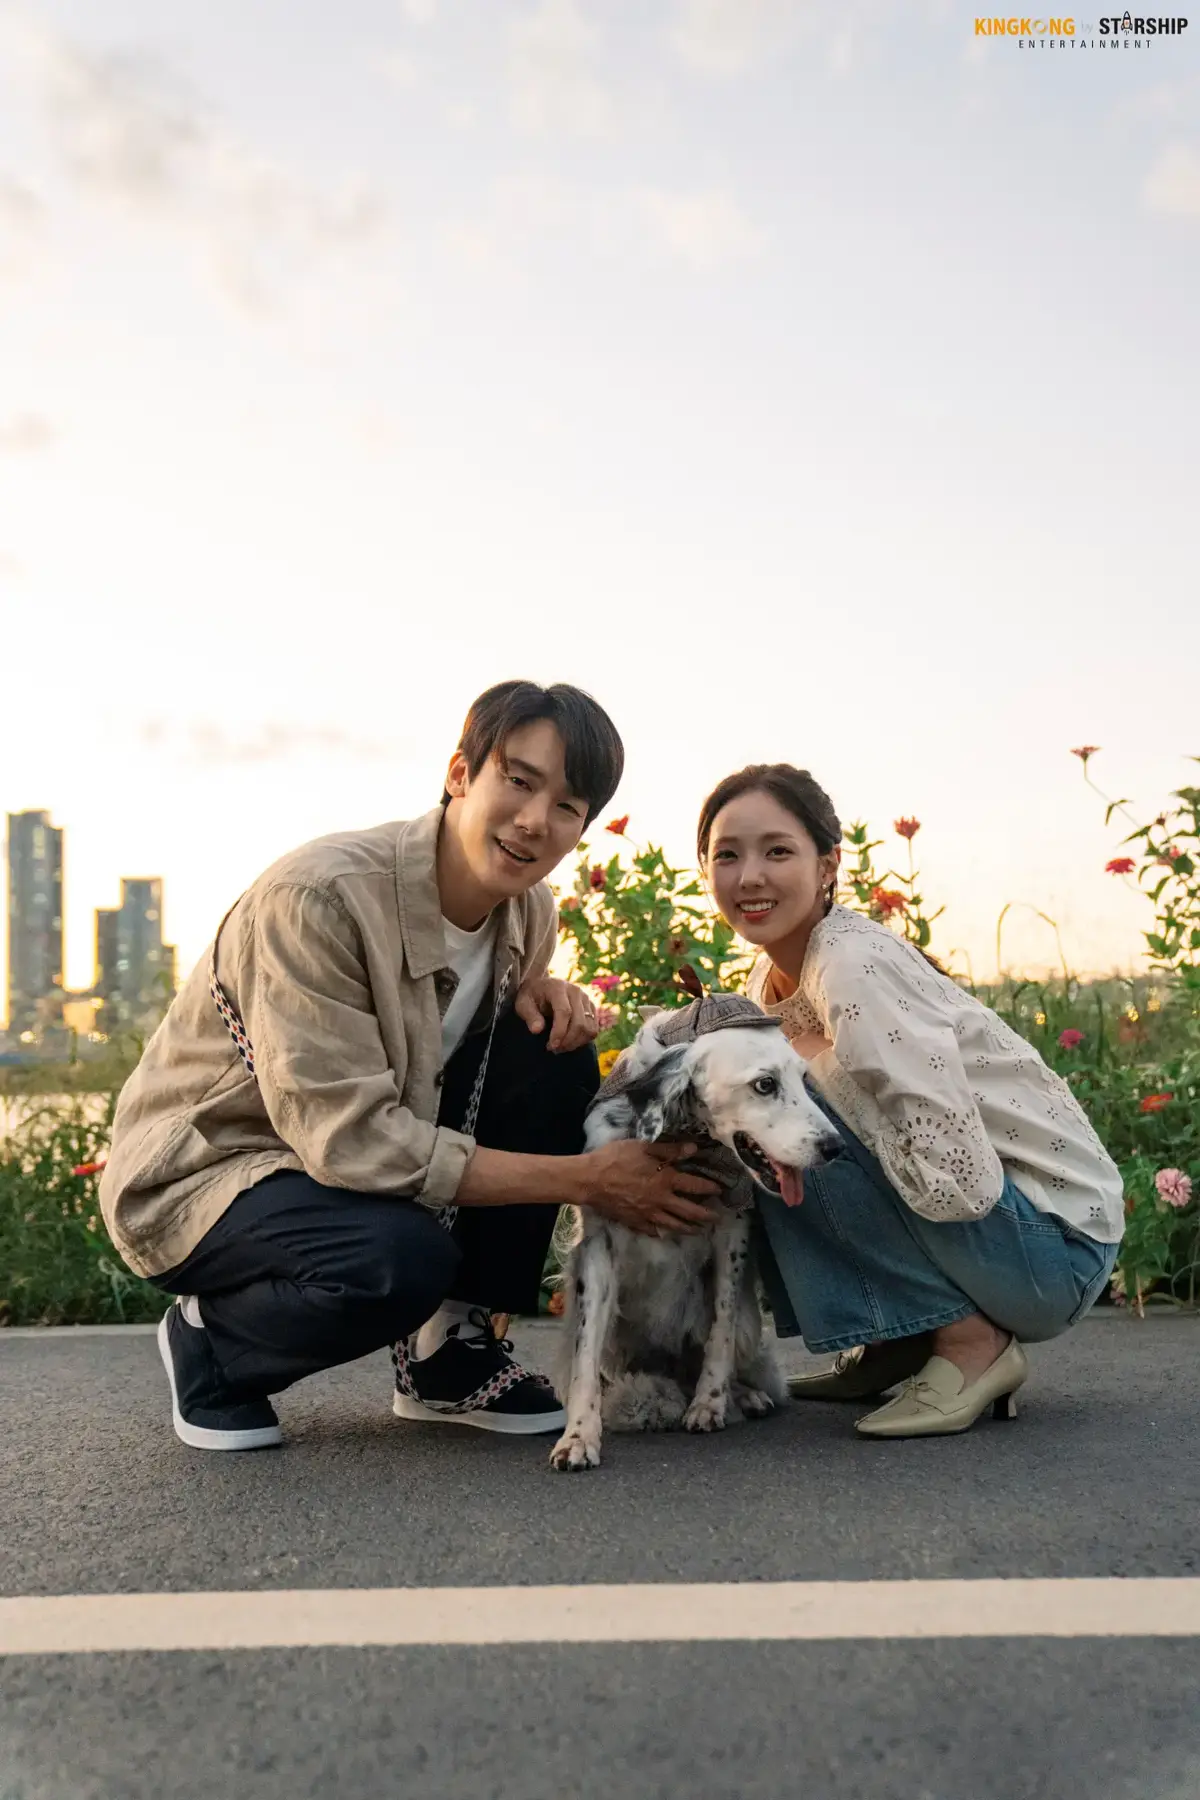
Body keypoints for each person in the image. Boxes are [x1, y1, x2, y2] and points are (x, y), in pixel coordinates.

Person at [100, 681, 719, 1453]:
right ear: (461, 773)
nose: (535, 821)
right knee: (397, 1261)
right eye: (518, 781)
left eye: (568, 806)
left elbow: (454, 1055)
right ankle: (212, 1345)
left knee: (554, 1050)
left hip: (333, 1165)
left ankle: (448, 1353)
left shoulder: (527, 913)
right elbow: (353, 1142)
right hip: (208, 1171)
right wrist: (588, 1182)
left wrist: (541, 994)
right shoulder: (318, 899)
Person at [696, 763, 1124, 1439]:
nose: (750, 876)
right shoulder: (771, 974)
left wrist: (810, 1070)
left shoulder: (850, 964)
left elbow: (955, 1172)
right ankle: (902, 1337)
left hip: (1054, 1247)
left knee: (782, 1102)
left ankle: (968, 1343)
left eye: (778, 851)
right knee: (761, 1103)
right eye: (727, 855)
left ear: (828, 864)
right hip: (1008, 1239)